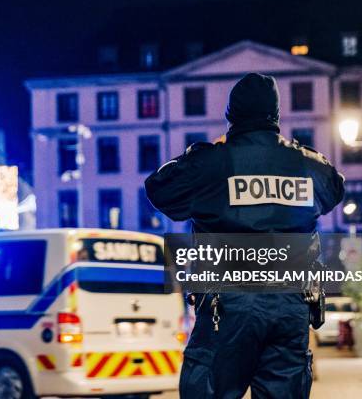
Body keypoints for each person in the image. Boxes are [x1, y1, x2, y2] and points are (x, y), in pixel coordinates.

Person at [145, 73, 344, 398]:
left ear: (231, 115)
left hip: (228, 307)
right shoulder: (307, 164)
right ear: (276, 115)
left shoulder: (213, 162)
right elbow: (335, 189)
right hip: (290, 305)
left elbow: (158, 188)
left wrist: (205, 156)